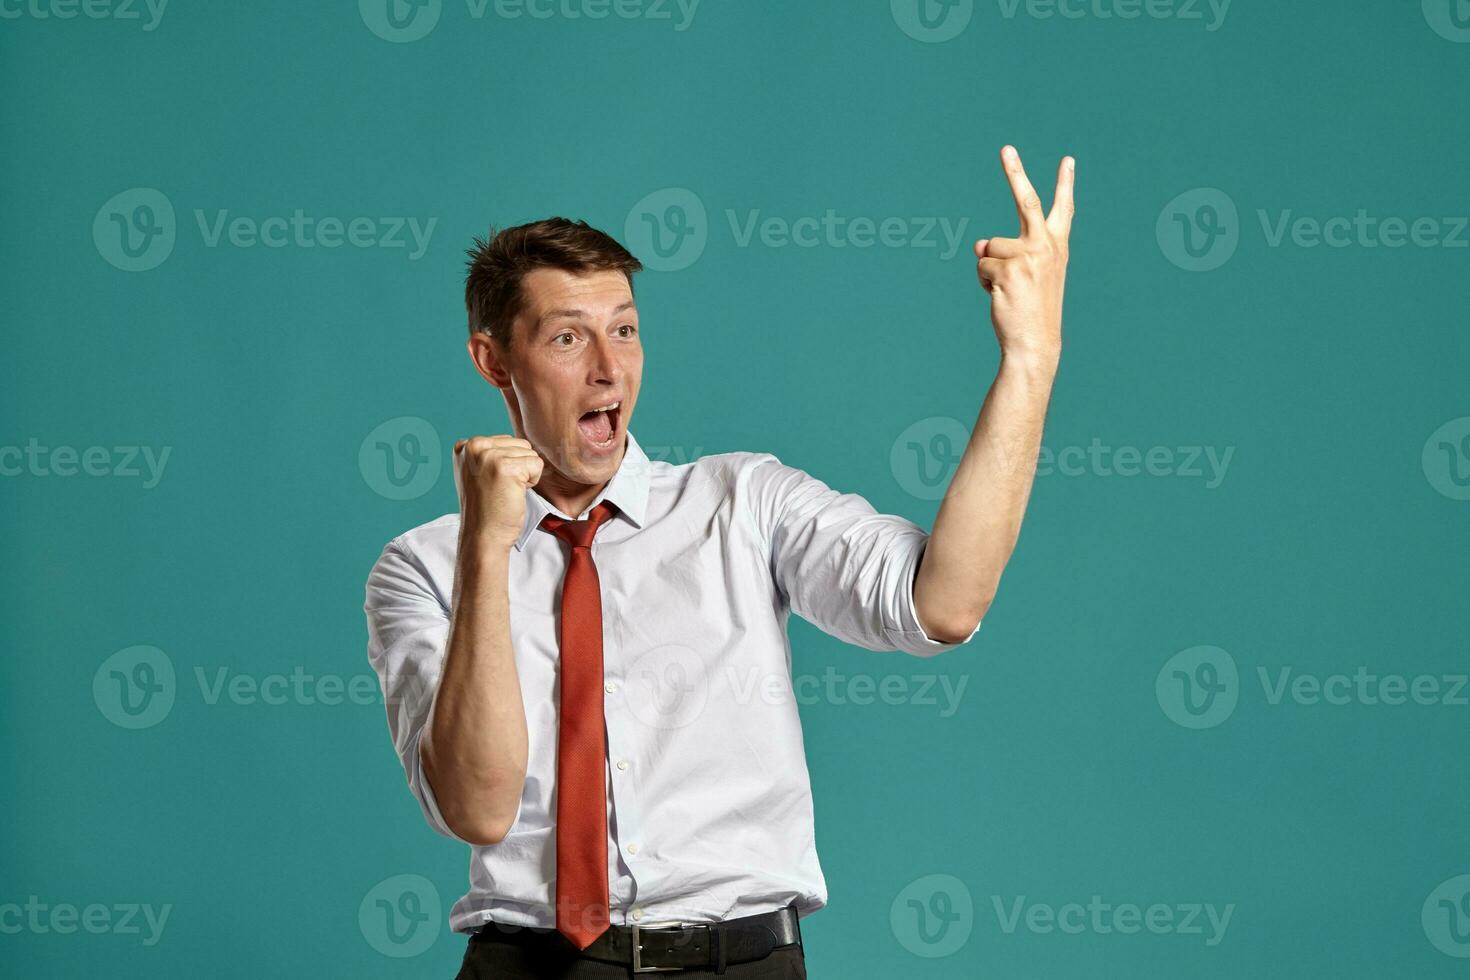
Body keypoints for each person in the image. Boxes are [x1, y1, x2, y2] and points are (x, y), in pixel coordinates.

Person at [364, 145, 1075, 978]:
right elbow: (478, 808)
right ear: (493, 362)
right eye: (567, 337)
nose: (608, 368)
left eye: (625, 329)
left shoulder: (743, 502)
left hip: (739, 963)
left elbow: (942, 604)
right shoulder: (422, 565)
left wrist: (1031, 360)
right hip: (529, 964)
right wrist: (488, 548)